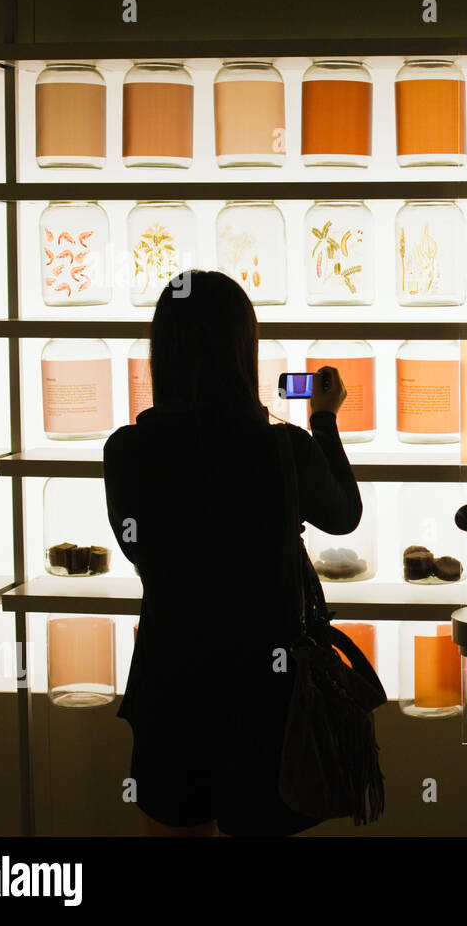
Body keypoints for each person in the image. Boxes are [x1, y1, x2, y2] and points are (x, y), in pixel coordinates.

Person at [103, 270, 362, 836]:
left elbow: (139, 551)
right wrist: (322, 419)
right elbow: (344, 514)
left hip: (172, 680)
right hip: (267, 687)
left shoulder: (128, 451)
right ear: (245, 350)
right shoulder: (284, 448)